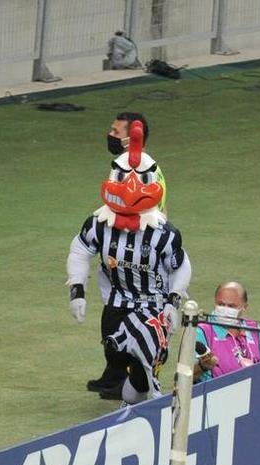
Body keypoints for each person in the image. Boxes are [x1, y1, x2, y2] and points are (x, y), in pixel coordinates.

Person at [67, 119, 191, 407]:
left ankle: (133, 405)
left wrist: (173, 301)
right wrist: (77, 290)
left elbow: (181, 265)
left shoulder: (164, 233)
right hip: (117, 303)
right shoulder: (99, 224)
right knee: (115, 355)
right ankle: (130, 391)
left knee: (142, 369)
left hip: (152, 308)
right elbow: (80, 251)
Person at [89, 112, 170, 399]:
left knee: (129, 317)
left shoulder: (149, 172)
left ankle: (128, 378)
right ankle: (113, 375)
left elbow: (152, 217)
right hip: (120, 254)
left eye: (115, 130)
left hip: (139, 258)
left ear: (131, 137)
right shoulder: (123, 169)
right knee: (113, 313)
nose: (110, 134)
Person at [193, 281, 260, 383]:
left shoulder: (255, 330)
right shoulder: (202, 331)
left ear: (244, 307)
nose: (225, 310)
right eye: (221, 304)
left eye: (231, 306)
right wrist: (202, 366)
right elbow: (184, 376)